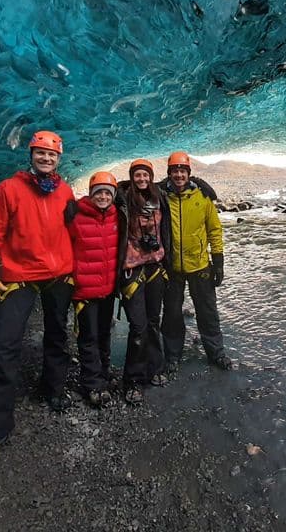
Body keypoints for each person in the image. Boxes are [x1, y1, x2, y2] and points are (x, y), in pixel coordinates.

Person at [0, 130, 75, 477]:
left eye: (52, 155)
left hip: (58, 275)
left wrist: (75, 269)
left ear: (58, 159)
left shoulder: (64, 190)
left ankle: (53, 390)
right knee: (4, 347)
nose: (46, 159)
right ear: (31, 155)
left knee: (58, 336)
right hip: (19, 277)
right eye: (41, 153)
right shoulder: (9, 189)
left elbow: (74, 232)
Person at [160, 151, 232, 371]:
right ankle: (173, 355)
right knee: (172, 314)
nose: (179, 175)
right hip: (171, 266)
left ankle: (216, 353)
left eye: (182, 171)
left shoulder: (203, 196)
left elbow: (214, 229)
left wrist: (218, 260)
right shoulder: (162, 196)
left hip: (200, 264)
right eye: (175, 171)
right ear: (169, 174)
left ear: (188, 173)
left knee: (208, 312)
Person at [116, 159, 170, 404]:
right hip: (133, 270)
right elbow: (105, 199)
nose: (142, 179)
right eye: (137, 175)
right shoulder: (125, 198)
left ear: (151, 177)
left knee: (152, 321)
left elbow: (166, 228)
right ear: (132, 176)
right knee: (138, 327)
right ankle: (132, 381)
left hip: (156, 267)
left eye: (145, 175)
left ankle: (155, 369)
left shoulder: (159, 198)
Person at [66, 171, 121, 408]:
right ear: (91, 194)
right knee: (88, 338)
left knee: (104, 333)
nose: (103, 197)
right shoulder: (75, 216)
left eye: (108, 193)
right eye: (99, 192)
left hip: (107, 289)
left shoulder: (116, 216)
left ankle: (104, 372)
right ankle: (92, 384)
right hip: (84, 291)